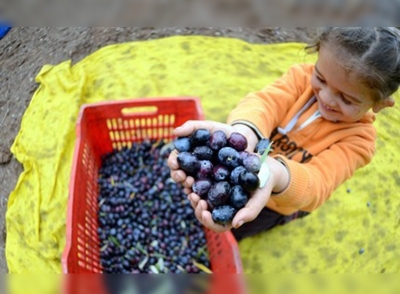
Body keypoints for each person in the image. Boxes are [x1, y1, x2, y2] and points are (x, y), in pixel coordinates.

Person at [167, 27, 399, 241]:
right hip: (243, 172)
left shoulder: (359, 141)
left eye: (347, 99)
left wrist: (274, 175)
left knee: (238, 226)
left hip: (277, 202)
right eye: (320, 78)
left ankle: (287, 217)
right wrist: (243, 133)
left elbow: (318, 184)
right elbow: (264, 104)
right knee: (207, 202)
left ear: (380, 104)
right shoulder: (299, 79)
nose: (326, 98)